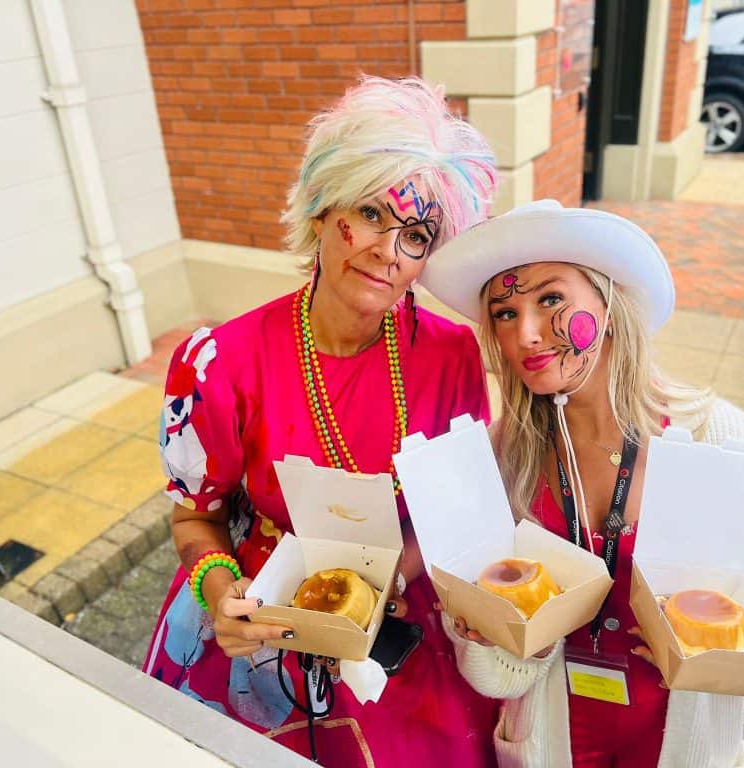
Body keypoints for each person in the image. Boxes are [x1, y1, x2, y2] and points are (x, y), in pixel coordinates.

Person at [142, 75, 500, 768]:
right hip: (265, 614)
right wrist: (223, 595)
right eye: (370, 212)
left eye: (417, 234)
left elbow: (458, 510)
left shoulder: (454, 355)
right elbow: (193, 518)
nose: (388, 250)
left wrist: (404, 571)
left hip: (398, 614)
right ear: (318, 207)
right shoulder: (220, 362)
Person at [419, 200, 744, 767]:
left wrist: (713, 654)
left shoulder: (720, 439)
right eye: (505, 313)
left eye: (551, 299)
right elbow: (497, 679)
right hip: (552, 745)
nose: (528, 334)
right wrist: (488, 633)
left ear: (607, 303)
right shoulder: (504, 453)